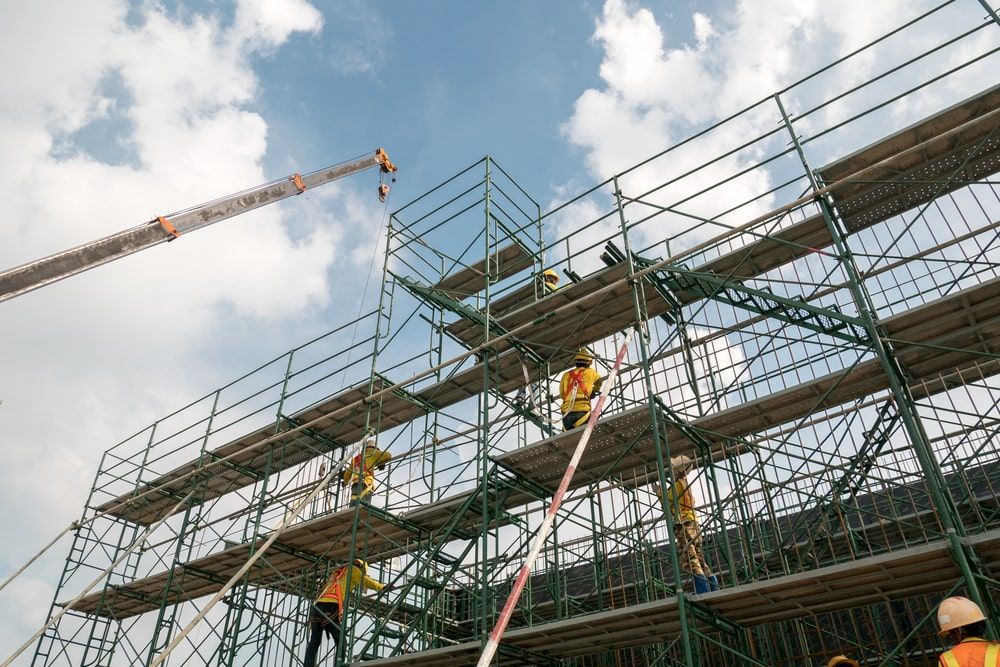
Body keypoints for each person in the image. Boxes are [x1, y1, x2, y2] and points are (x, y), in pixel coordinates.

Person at [304, 558, 390, 667]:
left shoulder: (337, 573)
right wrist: (382, 587)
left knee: (314, 641)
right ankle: (338, 665)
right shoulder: (354, 570)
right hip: (331, 607)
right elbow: (366, 581)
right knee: (341, 643)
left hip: (316, 608)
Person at [653, 455, 719, 594]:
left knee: (691, 558)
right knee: (699, 558)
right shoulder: (685, 483)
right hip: (693, 522)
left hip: (683, 523)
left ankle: (703, 590)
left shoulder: (678, 485)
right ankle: (713, 586)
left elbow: (667, 503)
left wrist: (659, 493)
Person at [937, 596, 1000, 666]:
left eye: (950, 635)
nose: (952, 639)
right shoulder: (998, 650)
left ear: (956, 631)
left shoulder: (946, 660)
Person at [559, 349, 603, 431]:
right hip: (582, 411)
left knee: (570, 440)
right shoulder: (591, 372)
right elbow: (599, 381)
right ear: (589, 362)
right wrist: (593, 391)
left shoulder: (566, 375)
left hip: (566, 412)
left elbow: (562, 394)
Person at [341, 438, 392, 507]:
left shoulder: (355, 459)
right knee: (364, 507)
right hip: (366, 483)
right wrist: (380, 462)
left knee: (353, 506)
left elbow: (347, 474)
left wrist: (345, 482)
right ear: (374, 448)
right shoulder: (373, 453)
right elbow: (388, 455)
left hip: (356, 484)